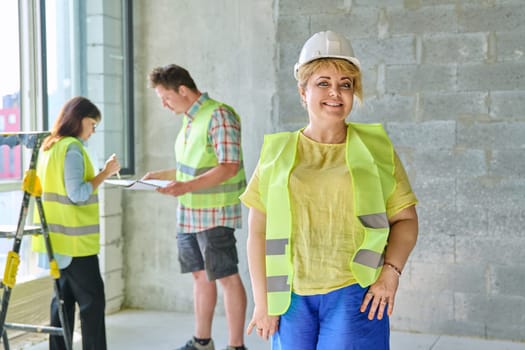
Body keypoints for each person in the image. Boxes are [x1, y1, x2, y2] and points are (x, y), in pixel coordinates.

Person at [240, 31, 419, 350]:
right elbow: (258, 231)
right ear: (303, 91)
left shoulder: (375, 149)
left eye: (345, 84)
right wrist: (263, 300)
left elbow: (405, 219)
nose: (335, 92)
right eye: (323, 82)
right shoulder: (277, 153)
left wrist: (391, 272)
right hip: (290, 297)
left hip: (355, 293)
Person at [145, 64, 248, 350]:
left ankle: (236, 346)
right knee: (200, 276)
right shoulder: (190, 120)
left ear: (183, 90)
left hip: (214, 213)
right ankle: (202, 342)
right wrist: (163, 175)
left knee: (226, 276)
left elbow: (229, 167)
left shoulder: (219, 115)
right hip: (189, 213)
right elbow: (192, 168)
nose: (164, 105)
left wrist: (185, 186)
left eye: (165, 98)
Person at [32, 96, 121, 350]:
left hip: (55, 243)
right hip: (76, 245)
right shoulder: (71, 148)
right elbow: (78, 194)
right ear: (79, 119)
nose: (93, 131)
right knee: (92, 305)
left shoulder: (49, 147)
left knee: (61, 306)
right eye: (92, 124)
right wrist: (104, 173)